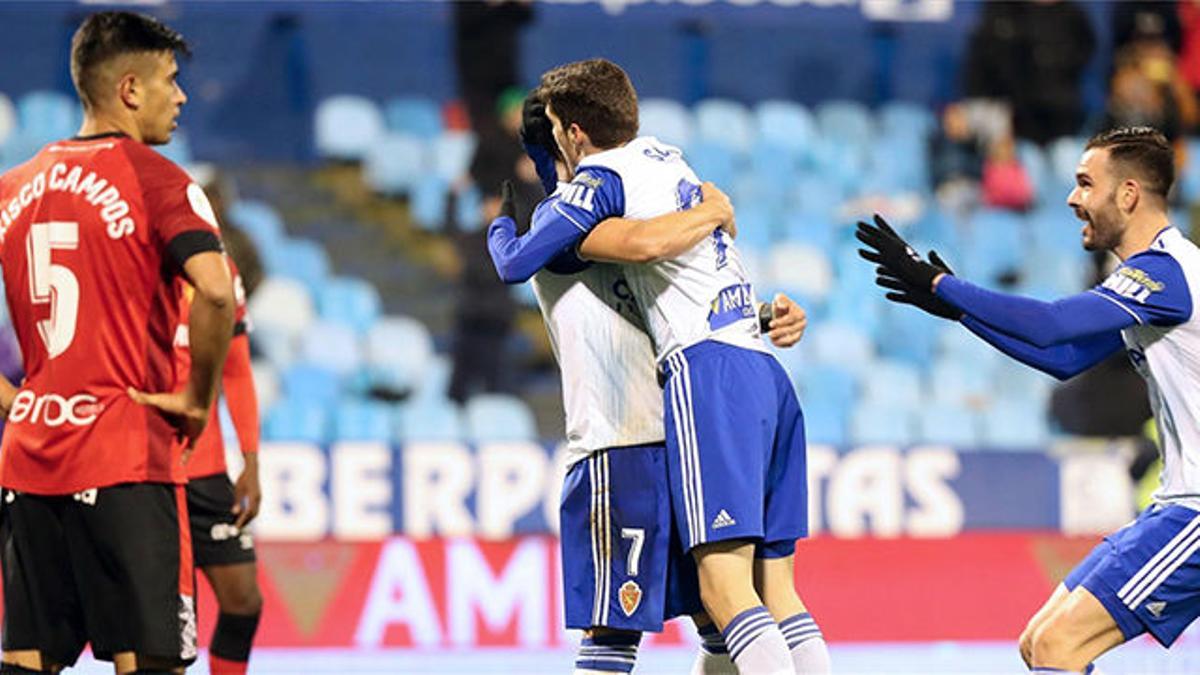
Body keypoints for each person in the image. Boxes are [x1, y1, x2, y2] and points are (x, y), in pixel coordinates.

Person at [489, 61, 829, 674]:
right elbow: (650, 260)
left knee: (635, 625)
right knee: (729, 606)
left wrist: (754, 311)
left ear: (569, 136)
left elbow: (642, 260)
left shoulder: (589, 206)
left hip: (624, 440)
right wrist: (714, 210)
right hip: (686, 422)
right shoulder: (641, 187)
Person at [857, 126, 1200, 673]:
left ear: (1129, 194)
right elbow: (1063, 358)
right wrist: (957, 310)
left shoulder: (1166, 274)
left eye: (1087, 184)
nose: (1072, 199)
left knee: (1060, 645)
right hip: (1175, 505)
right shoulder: (1154, 279)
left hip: (1195, 512)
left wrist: (944, 284)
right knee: (1038, 641)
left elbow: (1051, 325)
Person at [0, 11, 235, 674]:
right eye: (170, 79)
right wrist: (196, 396)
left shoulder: (13, 187)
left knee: (26, 660)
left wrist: (12, 398)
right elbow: (216, 293)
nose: (182, 95)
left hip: (31, 454)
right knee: (151, 661)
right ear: (130, 89)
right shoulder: (159, 182)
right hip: (126, 453)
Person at [174, 255, 263, 675]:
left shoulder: (222, 269)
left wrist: (250, 460)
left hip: (207, 472)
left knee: (244, 601)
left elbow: (238, 370)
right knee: (162, 626)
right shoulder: (129, 259)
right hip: (148, 471)